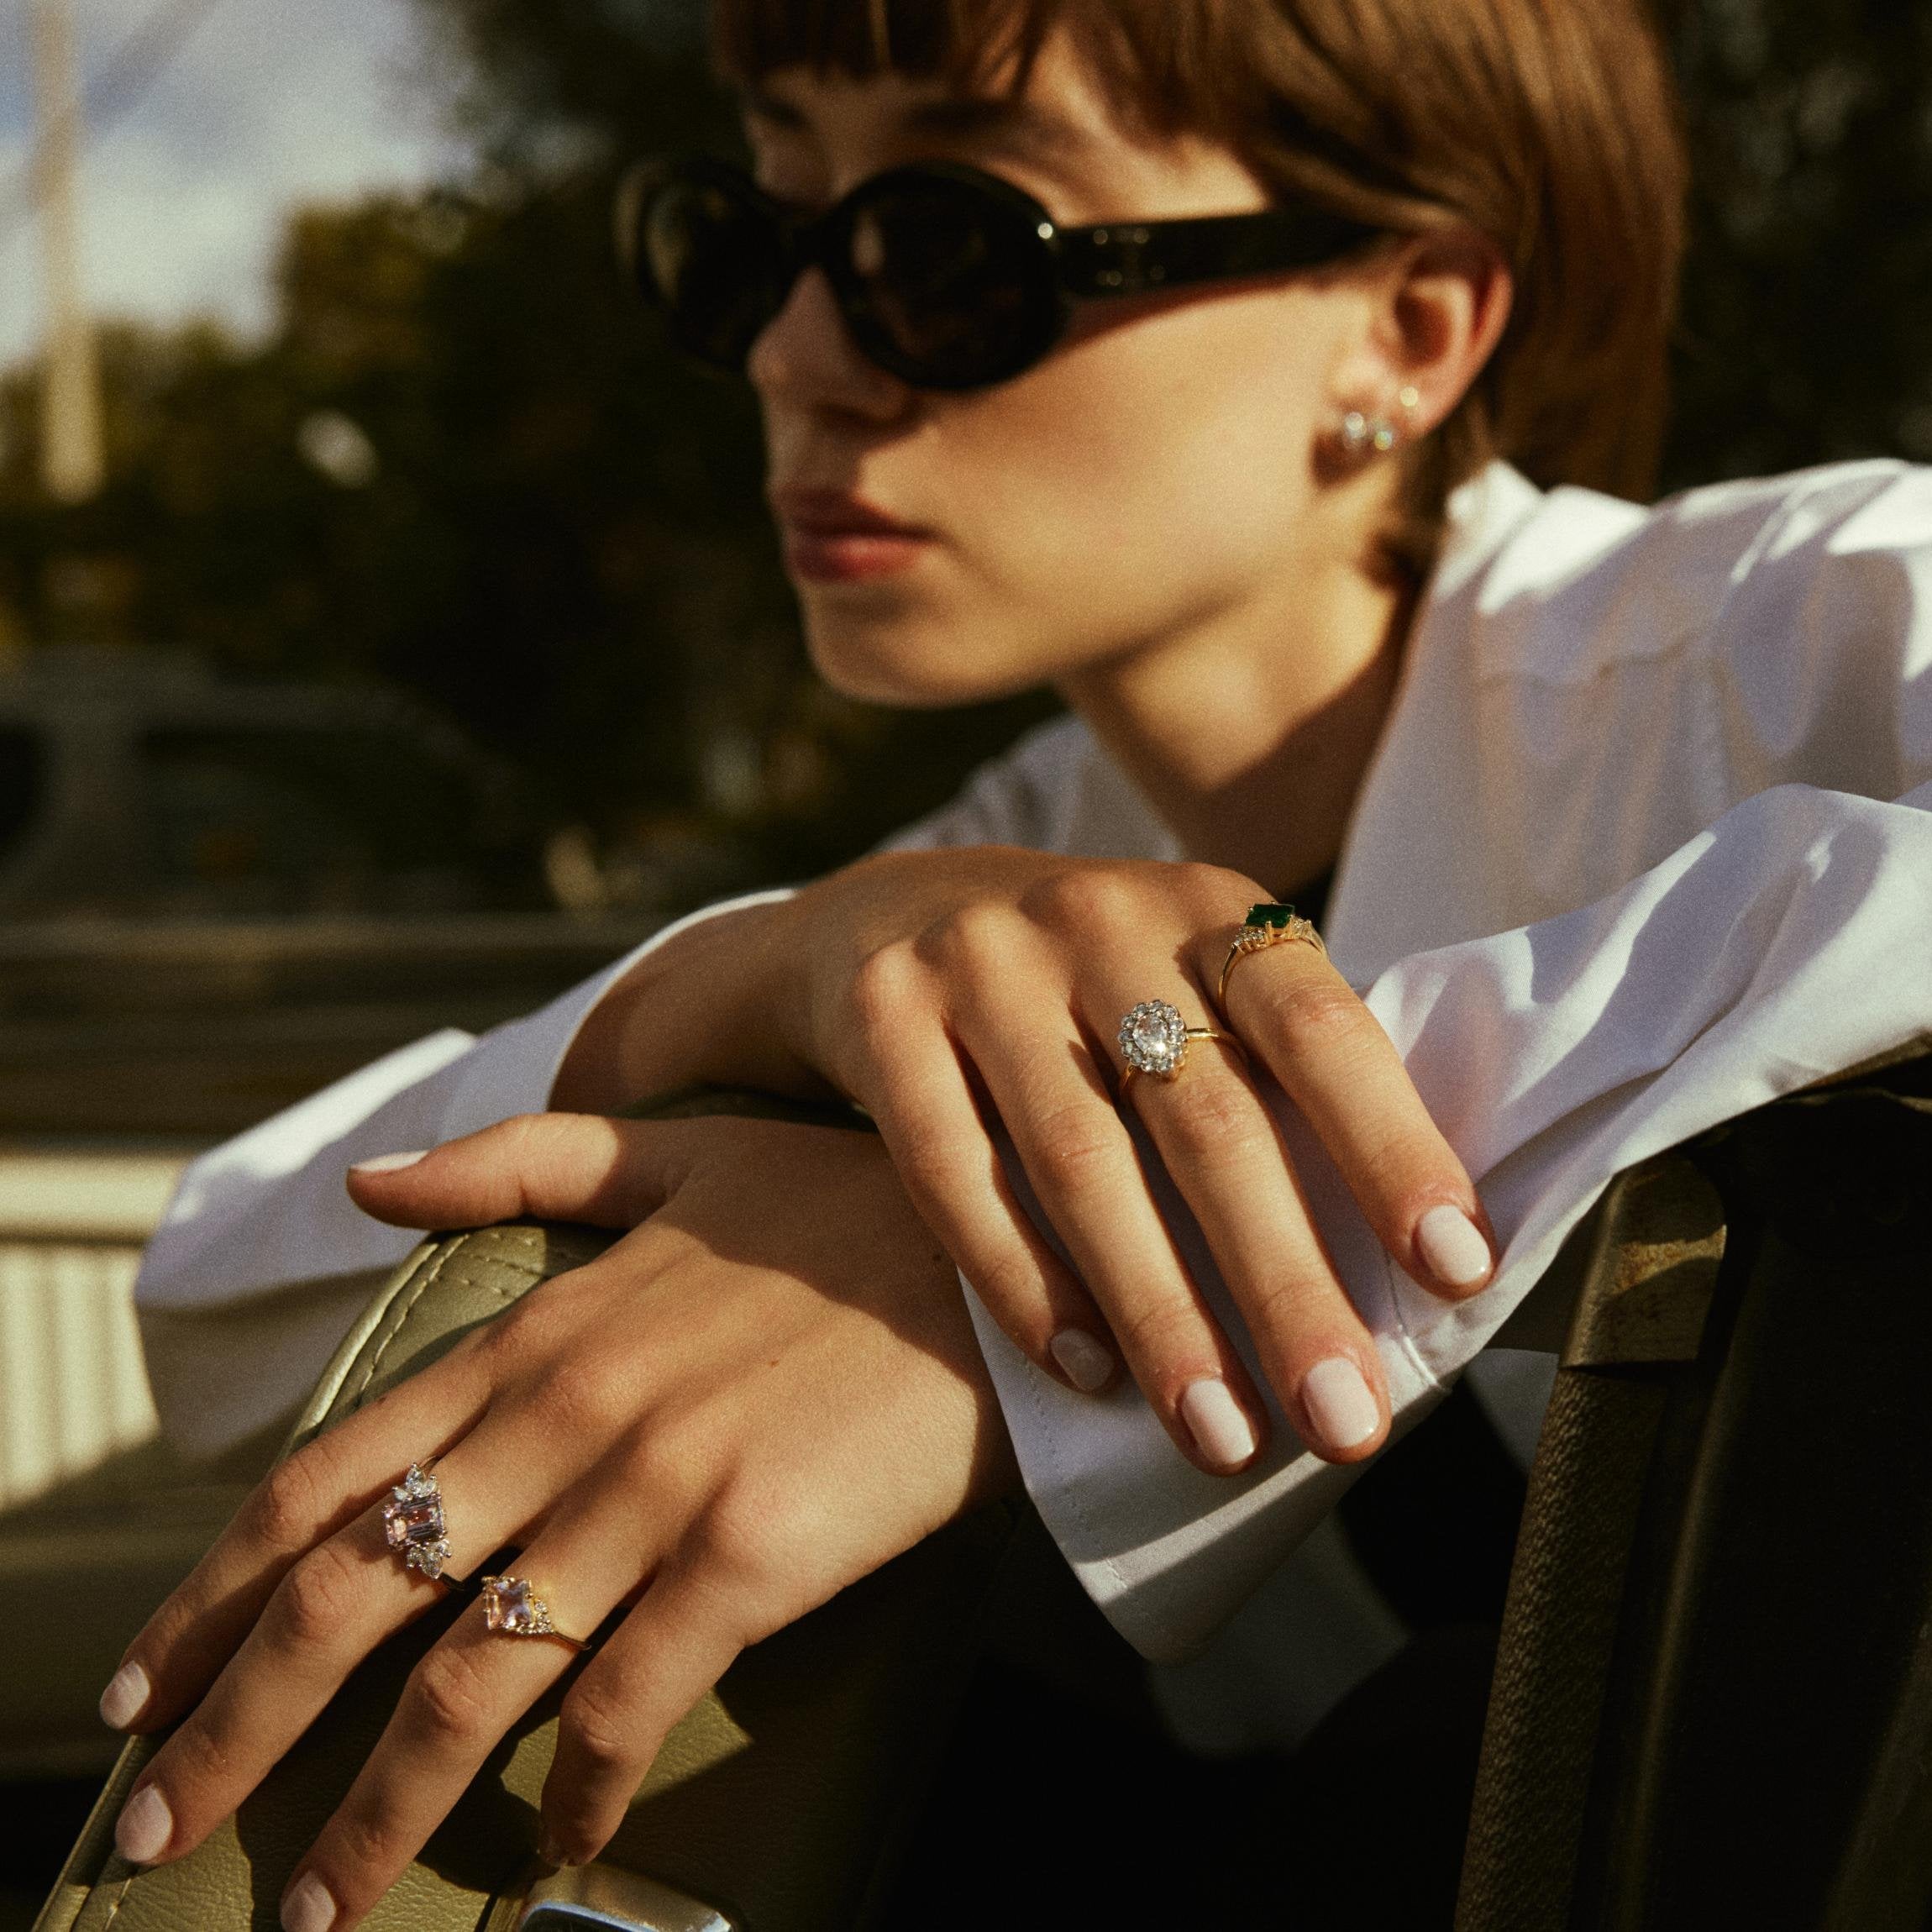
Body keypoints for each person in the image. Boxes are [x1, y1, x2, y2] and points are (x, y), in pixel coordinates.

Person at [94, 3, 1932, 1929]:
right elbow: (224, 1298)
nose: (797, 355)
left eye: (946, 245)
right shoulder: (998, 870)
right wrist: (735, 976)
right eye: (754, 232)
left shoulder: (1788, 629)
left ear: (1404, 328)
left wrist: (1070, 1244)